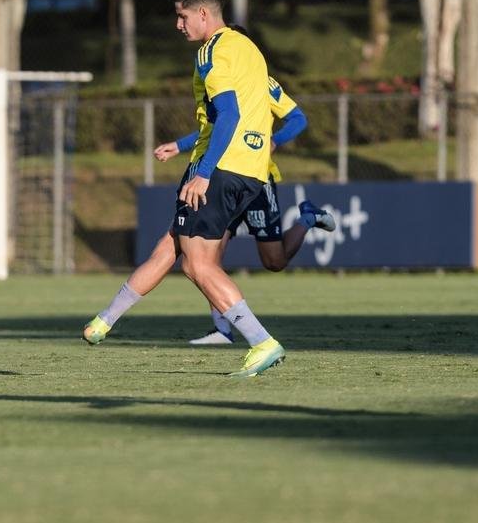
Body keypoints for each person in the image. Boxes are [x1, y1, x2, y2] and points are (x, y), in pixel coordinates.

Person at [83, 0, 291, 377]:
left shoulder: (210, 52)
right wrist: (184, 149)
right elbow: (242, 113)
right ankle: (103, 322)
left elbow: (227, 114)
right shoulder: (247, 47)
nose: (178, 25)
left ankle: (261, 341)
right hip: (250, 169)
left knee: (197, 265)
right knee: (171, 245)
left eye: (181, 16)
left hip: (221, 167)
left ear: (202, 13)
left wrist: (204, 174)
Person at [134, 68, 334, 347]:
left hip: (257, 181)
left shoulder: (261, 81)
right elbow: (215, 127)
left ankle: (308, 218)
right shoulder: (223, 80)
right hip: (222, 180)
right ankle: (223, 329)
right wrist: (179, 145)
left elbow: (298, 118)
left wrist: (275, 140)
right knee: (207, 258)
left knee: (274, 261)